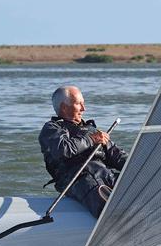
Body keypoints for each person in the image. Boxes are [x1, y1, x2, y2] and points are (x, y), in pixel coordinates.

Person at [39, 86, 128, 218]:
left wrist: (141, 167)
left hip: (105, 174)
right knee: (100, 194)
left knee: (136, 180)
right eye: (78, 104)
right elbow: (63, 149)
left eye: (83, 103)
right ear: (64, 107)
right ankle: (116, 226)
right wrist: (91, 139)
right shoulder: (52, 129)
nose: (83, 108)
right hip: (77, 178)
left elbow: (117, 155)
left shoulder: (91, 129)